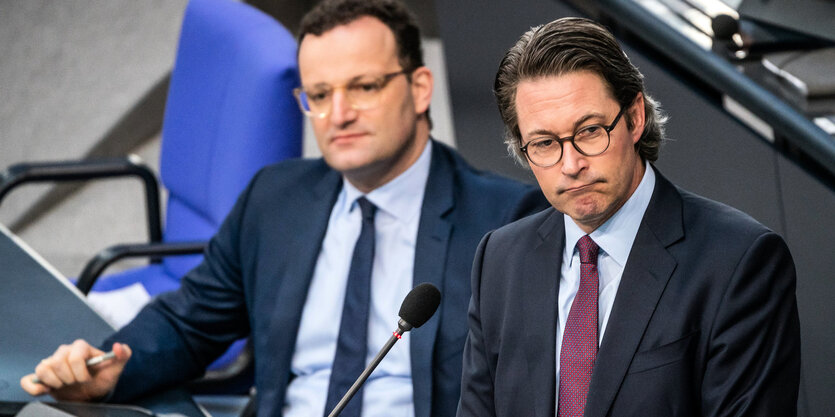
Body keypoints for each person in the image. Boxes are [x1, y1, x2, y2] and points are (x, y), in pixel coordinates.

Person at [20, 1, 547, 416]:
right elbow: (189, 324)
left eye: (362, 87)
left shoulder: (505, 219)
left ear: (419, 87)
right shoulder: (275, 200)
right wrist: (112, 367)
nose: (337, 114)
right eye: (318, 94)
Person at [457, 17, 800, 417]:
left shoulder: (739, 262)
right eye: (545, 143)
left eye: (589, 131)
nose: (570, 164)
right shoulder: (500, 260)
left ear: (635, 117)